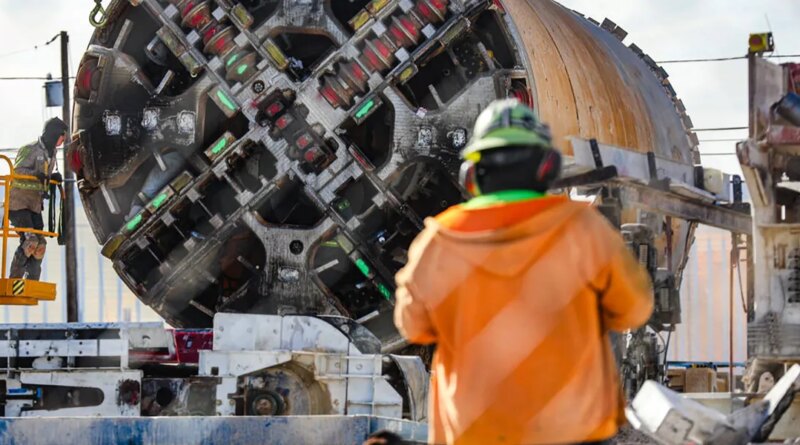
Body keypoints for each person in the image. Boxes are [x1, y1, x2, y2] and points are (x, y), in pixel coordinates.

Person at [393, 99, 653, 445]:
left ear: (471, 175)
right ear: (546, 168)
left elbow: (413, 327)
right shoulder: (583, 230)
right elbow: (634, 310)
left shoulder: (440, 240)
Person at [8, 117, 66, 280]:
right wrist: (36, 175)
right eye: (62, 136)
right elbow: (17, 172)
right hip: (18, 205)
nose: (63, 140)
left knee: (40, 245)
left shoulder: (52, 153)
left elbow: (44, 177)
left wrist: (52, 177)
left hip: (34, 206)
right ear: (55, 134)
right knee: (30, 241)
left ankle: (31, 280)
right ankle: (15, 279)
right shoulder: (30, 149)